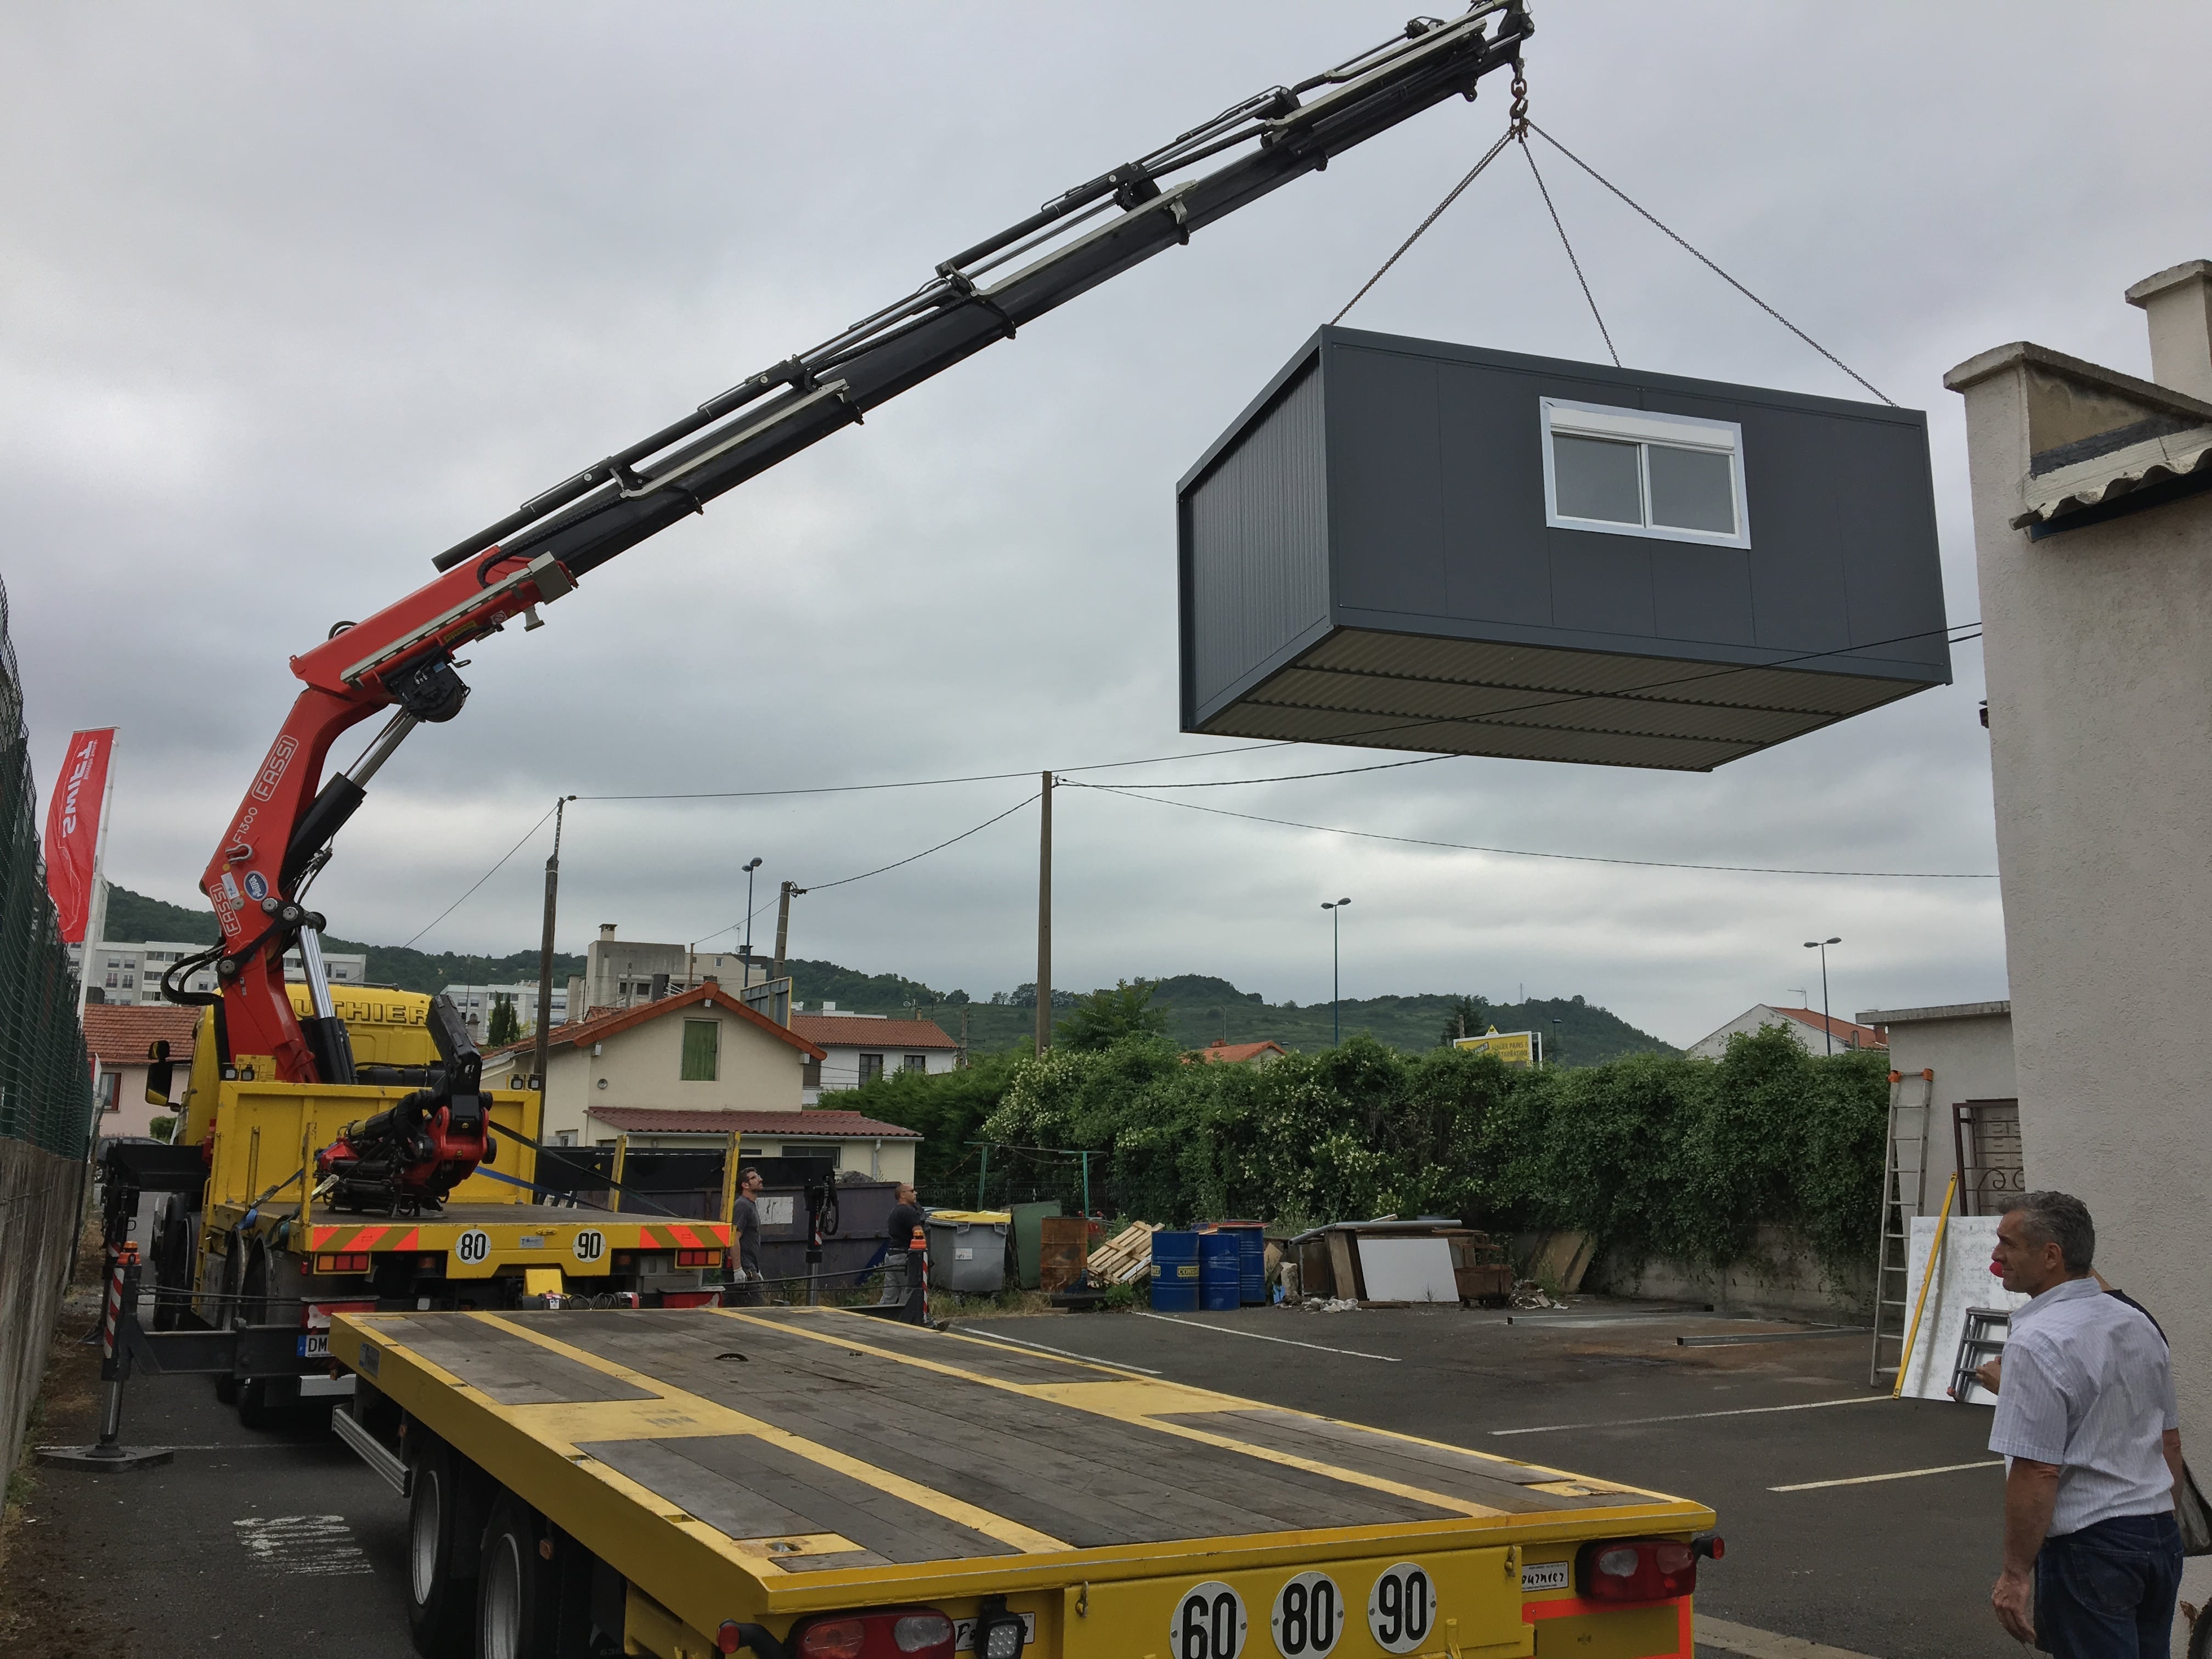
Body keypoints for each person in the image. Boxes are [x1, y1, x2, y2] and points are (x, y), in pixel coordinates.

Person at [1984, 1190, 2183, 1657]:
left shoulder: (2037, 1341)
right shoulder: (2136, 1323)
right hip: (2156, 1536)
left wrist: (2014, 1575)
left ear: (2051, 1256)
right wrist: (2163, 1527)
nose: (1996, 1255)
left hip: (2090, 1546)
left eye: (2008, 1244)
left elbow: (2038, 1469)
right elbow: (2169, 1441)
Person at [879, 1183, 923, 1308]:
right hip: (903, 1257)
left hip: (891, 1255)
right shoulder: (909, 1212)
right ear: (903, 1195)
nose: (915, 1193)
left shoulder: (895, 1211)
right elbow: (918, 1234)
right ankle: (924, 1321)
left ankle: (881, 1318)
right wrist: (924, 1256)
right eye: (912, 1191)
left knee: (890, 1294)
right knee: (910, 1290)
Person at [727, 1167, 765, 1306]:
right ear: (745, 1185)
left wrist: (757, 1270)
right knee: (757, 1311)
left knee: (734, 1310)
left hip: (750, 1267)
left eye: (758, 1176)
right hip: (744, 1269)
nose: (760, 1180)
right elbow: (734, 1238)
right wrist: (738, 1269)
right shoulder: (742, 1205)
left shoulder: (750, 1205)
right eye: (754, 1178)